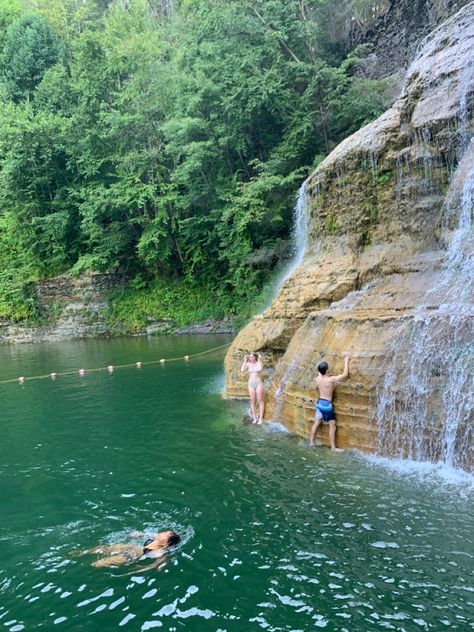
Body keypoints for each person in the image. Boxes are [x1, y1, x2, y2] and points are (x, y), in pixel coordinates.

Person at [71, 530, 181, 570]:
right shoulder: (154, 537)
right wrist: (137, 534)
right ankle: (82, 553)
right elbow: (141, 534)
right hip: (132, 548)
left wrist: (142, 568)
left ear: (167, 543)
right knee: (103, 548)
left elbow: (158, 564)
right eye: (166, 531)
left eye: (167, 534)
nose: (164, 532)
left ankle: (84, 567)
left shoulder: (160, 551)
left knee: (100, 563)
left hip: (131, 557)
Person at [309, 355, 350, 450]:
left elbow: (314, 388)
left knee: (316, 423)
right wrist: (346, 362)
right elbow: (345, 375)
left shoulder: (318, 379)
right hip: (327, 405)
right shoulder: (331, 380)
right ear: (327, 370)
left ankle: (311, 442)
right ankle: (333, 447)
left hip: (319, 403)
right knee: (333, 425)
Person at [241, 351, 265, 424]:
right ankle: (254, 418)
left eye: (252, 357)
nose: (250, 358)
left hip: (258, 383)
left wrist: (260, 359)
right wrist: (245, 361)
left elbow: (260, 369)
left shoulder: (259, 363)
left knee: (260, 400)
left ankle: (261, 419)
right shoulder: (248, 364)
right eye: (250, 357)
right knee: (252, 401)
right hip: (250, 384)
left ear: (255, 357)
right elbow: (242, 370)